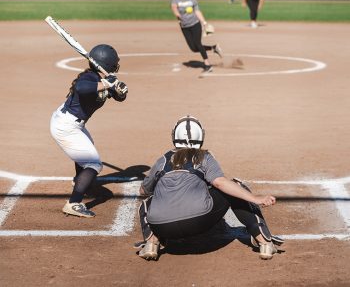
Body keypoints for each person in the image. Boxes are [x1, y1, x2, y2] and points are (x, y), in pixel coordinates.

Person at [135, 115, 283, 261]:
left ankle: (151, 243)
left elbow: (144, 191)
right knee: (235, 187)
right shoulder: (204, 156)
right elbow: (220, 183)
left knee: (147, 203)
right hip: (199, 222)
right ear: (201, 137)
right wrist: (255, 199)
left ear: (174, 136)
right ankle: (265, 242)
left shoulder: (163, 160)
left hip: (163, 227)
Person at [50, 44, 128, 218]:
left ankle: (79, 182)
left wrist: (120, 90)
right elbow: (81, 88)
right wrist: (108, 83)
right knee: (94, 164)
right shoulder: (88, 77)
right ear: (107, 64)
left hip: (73, 124)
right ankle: (74, 203)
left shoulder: (104, 78)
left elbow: (118, 96)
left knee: (87, 147)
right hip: (65, 126)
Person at [171, 0, 222, 73]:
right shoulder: (175, 0)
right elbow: (175, 10)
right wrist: (178, 15)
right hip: (184, 27)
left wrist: (204, 23)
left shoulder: (192, 0)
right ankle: (213, 48)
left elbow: (197, 12)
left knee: (198, 43)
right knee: (193, 48)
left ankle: (207, 65)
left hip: (195, 24)